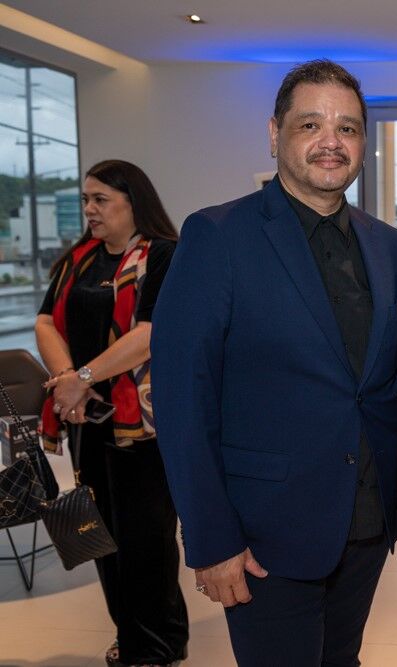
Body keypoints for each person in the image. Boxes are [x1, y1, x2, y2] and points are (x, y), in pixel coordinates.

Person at [150, 60, 397, 665]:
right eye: (310, 124)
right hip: (263, 534)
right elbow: (184, 400)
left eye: (347, 128)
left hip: (366, 520)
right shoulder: (217, 235)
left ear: (363, 143)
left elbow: (383, 384)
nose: (331, 141)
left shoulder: (387, 244)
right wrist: (211, 539)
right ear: (275, 134)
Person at [35, 159, 188, 667]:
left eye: (100, 199)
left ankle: (158, 645)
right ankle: (130, 633)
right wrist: (67, 383)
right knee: (103, 537)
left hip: (145, 426)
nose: (90, 209)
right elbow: (45, 323)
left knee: (147, 539)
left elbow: (150, 334)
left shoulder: (163, 255)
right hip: (87, 420)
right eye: (86, 199)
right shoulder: (78, 260)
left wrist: (80, 379)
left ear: (132, 202)